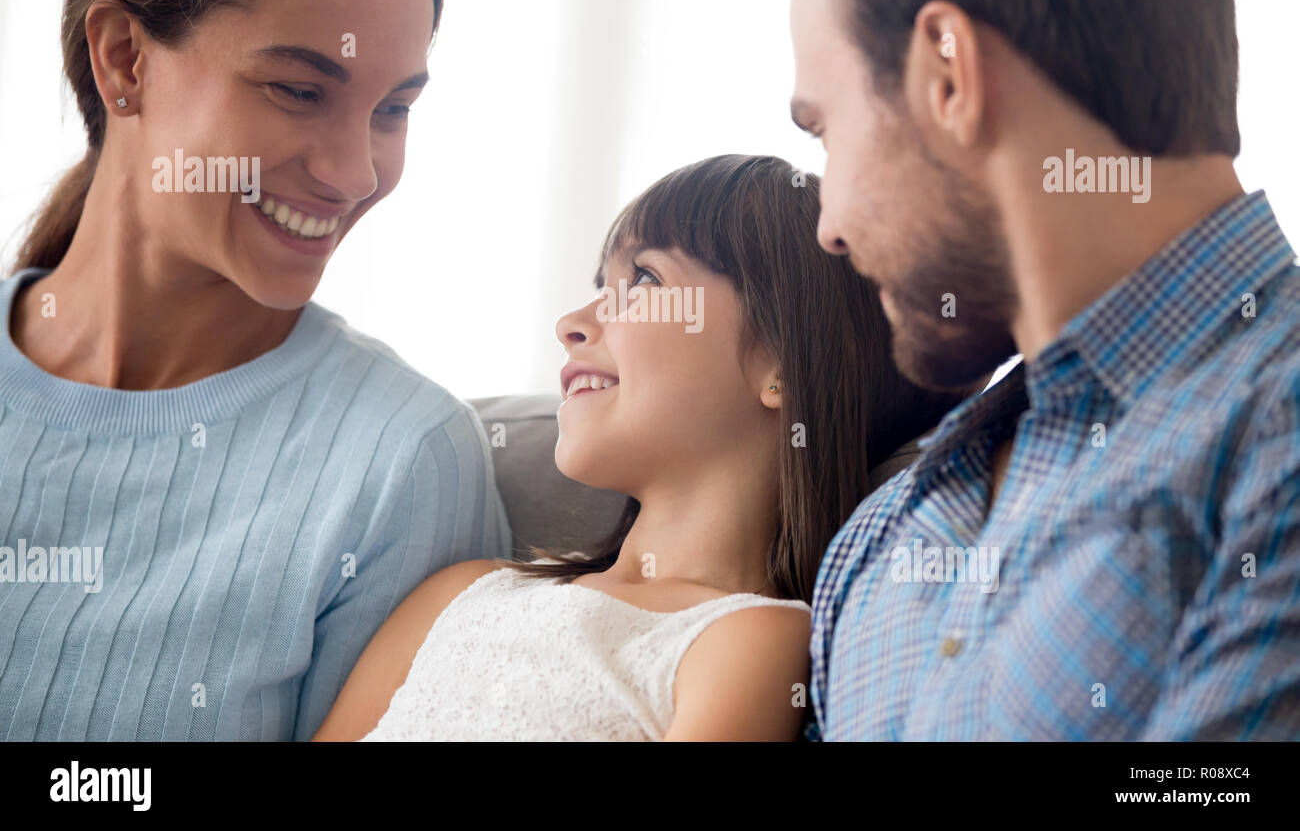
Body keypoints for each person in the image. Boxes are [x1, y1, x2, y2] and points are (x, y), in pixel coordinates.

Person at [752, 0, 1300, 739]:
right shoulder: (882, 535)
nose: (828, 228)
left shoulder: (1274, 432)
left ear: (948, 75)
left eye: (824, 131)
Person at [0, 0, 508, 742]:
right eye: (300, 90)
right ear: (125, 58)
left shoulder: (403, 464)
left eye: (393, 110)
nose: (354, 175)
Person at [313, 154, 976, 740]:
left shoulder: (748, 642)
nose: (573, 324)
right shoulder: (462, 593)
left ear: (782, 364)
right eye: (601, 287)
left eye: (645, 283)